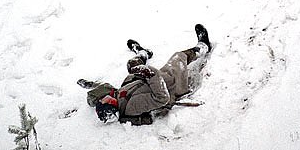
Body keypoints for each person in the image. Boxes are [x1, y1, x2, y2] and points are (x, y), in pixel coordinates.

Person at [77, 24, 212, 125]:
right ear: (110, 106)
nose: (103, 98)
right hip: (170, 84)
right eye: (103, 100)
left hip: (150, 79)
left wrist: (91, 85)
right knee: (178, 57)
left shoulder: (117, 99)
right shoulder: (133, 105)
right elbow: (162, 98)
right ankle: (203, 46)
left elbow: (106, 89)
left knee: (132, 64)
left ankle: (143, 53)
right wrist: (150, 74)